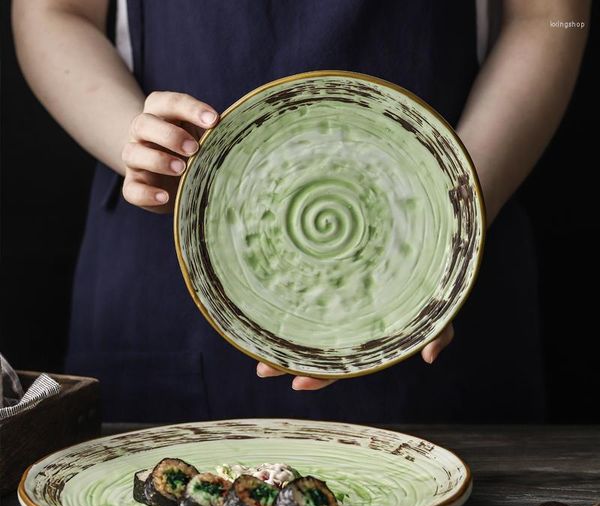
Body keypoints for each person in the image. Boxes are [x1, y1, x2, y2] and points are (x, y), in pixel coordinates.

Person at [13, 0, 589, 423]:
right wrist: (132, 137)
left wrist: (452, 224)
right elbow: (52, 13)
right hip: (160, 281)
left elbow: (554, 17)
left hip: (453, 272)